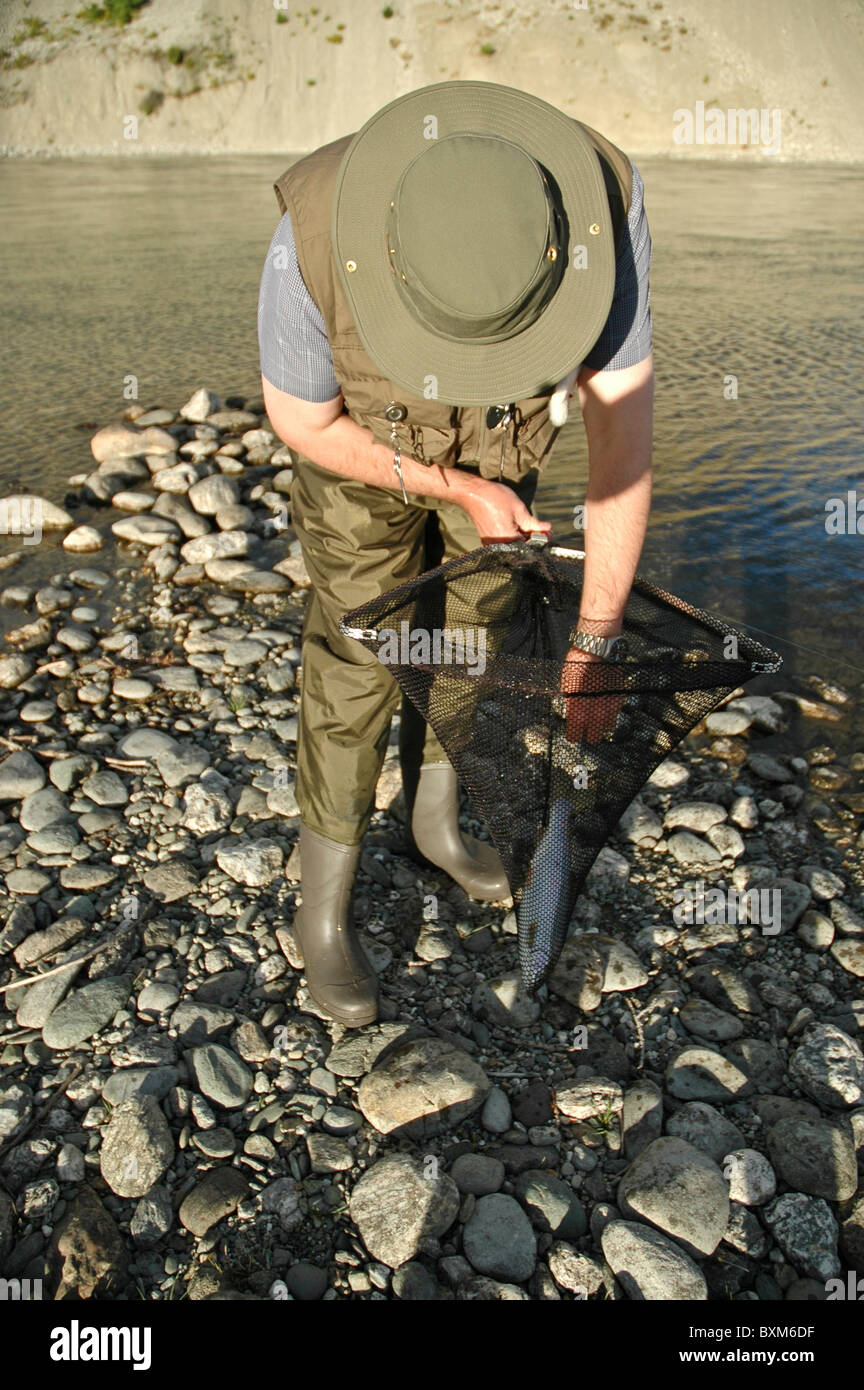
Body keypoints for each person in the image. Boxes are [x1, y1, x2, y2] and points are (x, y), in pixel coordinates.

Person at [257, 80, 654, 1028]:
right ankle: (322, 912)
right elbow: (302, 420)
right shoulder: (312, 230)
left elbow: (622, 450)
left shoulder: (606, 204)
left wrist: (594, 645)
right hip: (360, 453)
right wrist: (451, 486)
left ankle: (435, 823)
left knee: (474, 629)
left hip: (507, 457)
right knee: (360, 656)